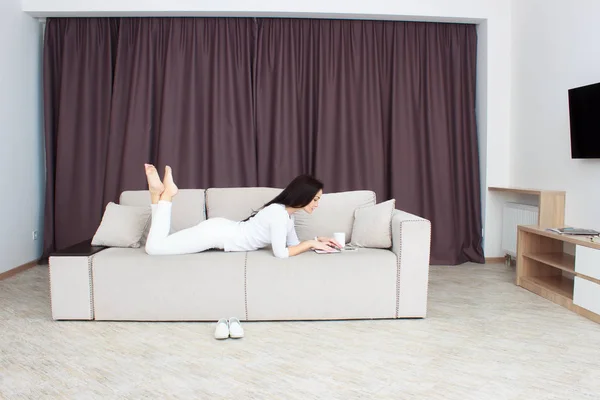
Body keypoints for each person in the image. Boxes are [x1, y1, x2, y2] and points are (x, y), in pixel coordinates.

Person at [143, 164, 342, 258]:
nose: (317, 204)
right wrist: (309, 244)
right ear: (303, 195)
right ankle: (167, 196)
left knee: (160, 243)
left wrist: (318, 240)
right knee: (154, 249)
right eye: (315, 199)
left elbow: (293, 244)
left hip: (220, 230)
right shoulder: (279, 215)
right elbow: (281, 253)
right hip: (216, 234)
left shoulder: (286, 215)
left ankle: (156, 194)